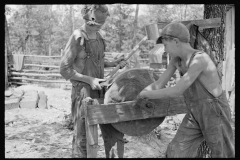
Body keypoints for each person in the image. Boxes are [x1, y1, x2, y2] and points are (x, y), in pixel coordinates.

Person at [136, 22, 235, 158]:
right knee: (175, 151)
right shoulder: (177, 60)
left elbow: (177, 90)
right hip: (194, 114)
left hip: (215, 113)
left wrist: (147, 94)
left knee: (223, 154)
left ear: (176, 41)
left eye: (165, 45)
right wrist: (139, 95)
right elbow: (159, 83)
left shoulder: (200, 59)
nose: (165, 50)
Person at [60, 5, 127, 158]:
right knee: (83, 136)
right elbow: (64, 69)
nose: (97, 27)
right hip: (82, 93)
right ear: (88, 18)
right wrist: (89, 79)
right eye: (95, 24)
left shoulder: (100, 37)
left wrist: (115, 63)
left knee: (111, 129)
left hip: (101, 90)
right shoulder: (78, 37)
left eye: (100, 24)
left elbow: (98, 62)